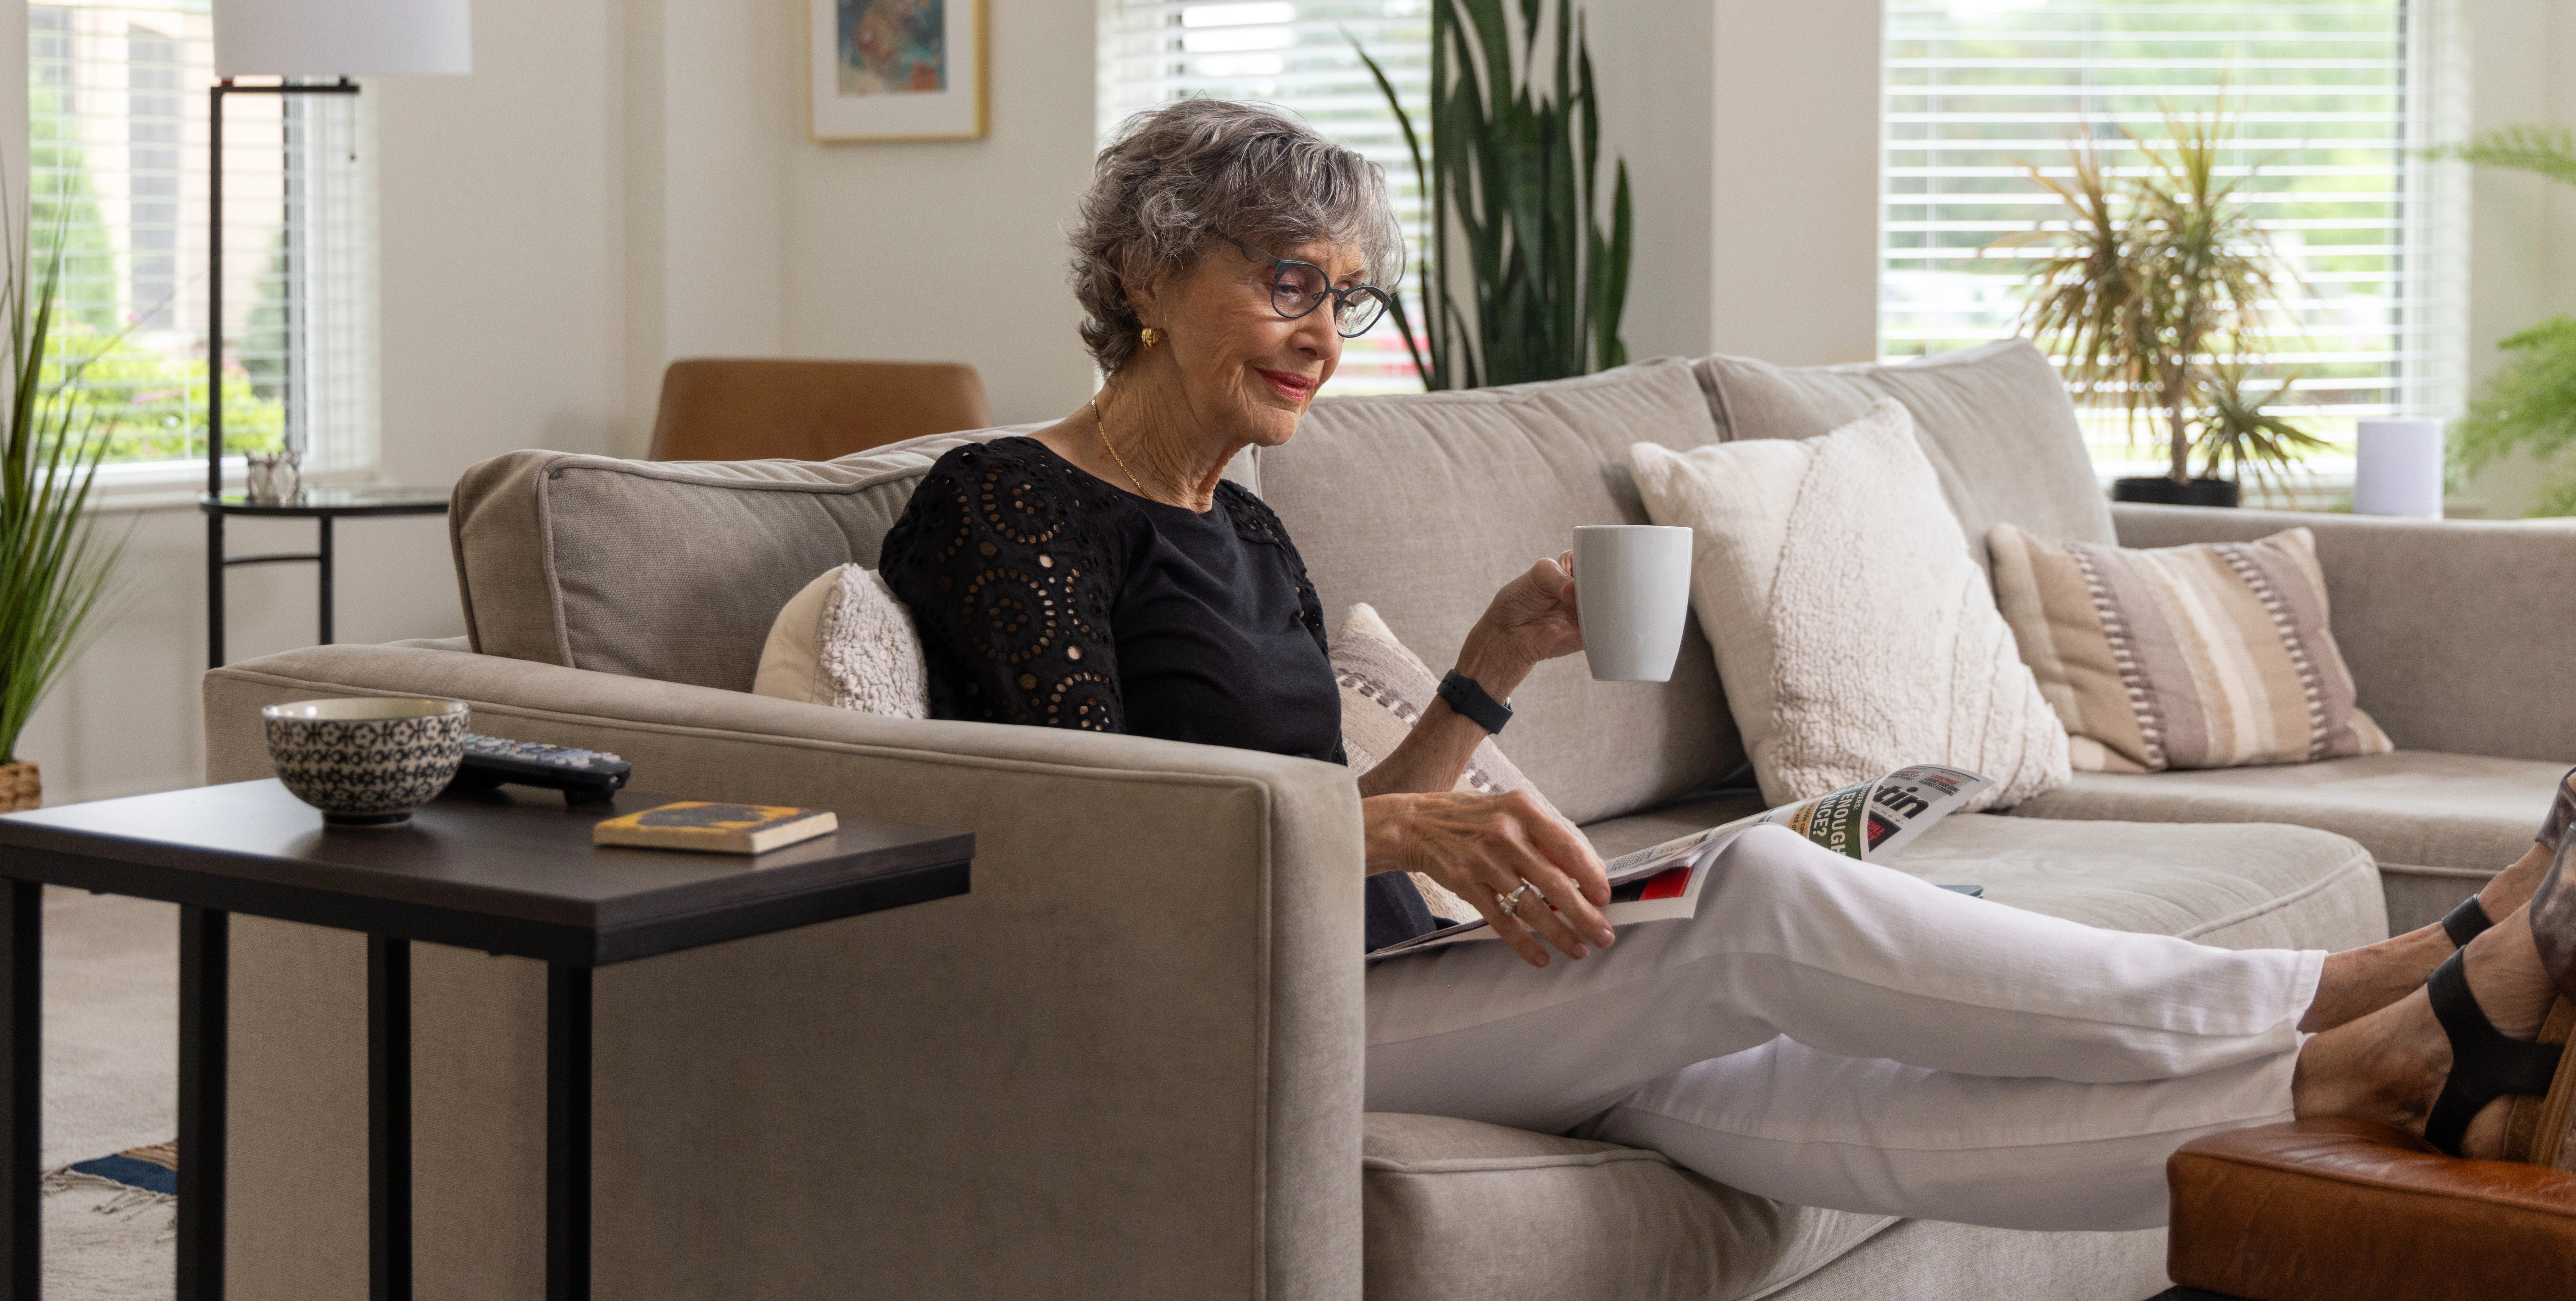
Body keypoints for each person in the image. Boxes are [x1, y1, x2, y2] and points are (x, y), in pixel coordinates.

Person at [877, 97, 2576, 1230]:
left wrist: (1481, 676)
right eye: (1285, 281)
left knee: (1774, 1091)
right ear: (1145, 275)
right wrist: (1393, 839)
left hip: (1372, 970)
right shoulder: (1006, 506)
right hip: (1223, 1014)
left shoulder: (1243, 522)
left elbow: (1338, 819)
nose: (1328, 328)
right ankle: (2347, 988)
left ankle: (2380, 1091)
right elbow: (1099, 836)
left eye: (1349, 290)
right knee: (1760, 901)